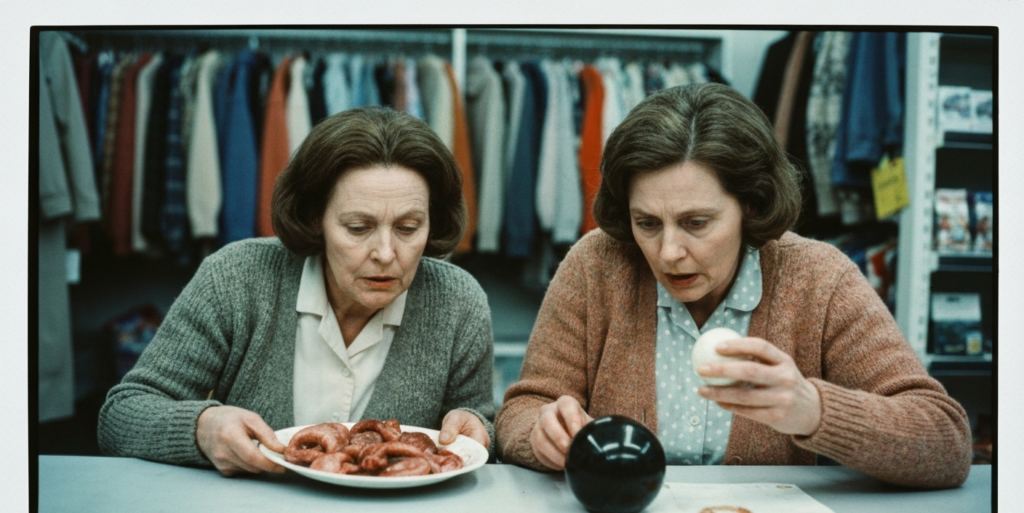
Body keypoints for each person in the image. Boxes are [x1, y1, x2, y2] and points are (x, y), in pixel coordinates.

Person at [495, 83, 972, 489]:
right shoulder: (595, 265)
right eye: (647, 223)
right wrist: (541, 431)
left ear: (752, 204)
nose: (668, 253)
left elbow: (946, 441)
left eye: (697, 222)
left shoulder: (819, 278)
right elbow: (522, 408)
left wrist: (814, 411)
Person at [99, 106, 495, 476]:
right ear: (314, 218)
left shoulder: (459, 302)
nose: (386, 254)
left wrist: (478, 428)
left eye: (409, 228)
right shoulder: (237, 276)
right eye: (358, 228)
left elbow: (480, 429)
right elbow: (121, 415)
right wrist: (201, 428)